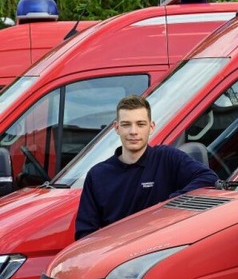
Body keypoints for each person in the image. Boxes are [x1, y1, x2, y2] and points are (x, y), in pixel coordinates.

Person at [75, 95, 218, 240]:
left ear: (151, 127)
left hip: (159, 251)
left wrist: (167, 206)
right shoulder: (98, 175)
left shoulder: (167, 158)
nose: (133, 131)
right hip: (117, 256)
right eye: (126, 124)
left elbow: (208, 178)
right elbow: (84, 234)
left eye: (140, 124)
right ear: (117, 128)